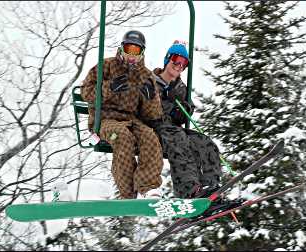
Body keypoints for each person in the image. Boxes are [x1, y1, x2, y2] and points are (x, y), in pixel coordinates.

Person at [80, 30, 164, 199]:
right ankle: (127, 193)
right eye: (128, 49)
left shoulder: (145, 76)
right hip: (105, 119)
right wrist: (108, 88)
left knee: (150, 137)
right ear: (122, 48)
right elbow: (86, 91)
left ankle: (149, 187)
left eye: (136, 51)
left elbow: (152, 115)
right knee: (123, 137)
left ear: (142, 53)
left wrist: (150, 98)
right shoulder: (106, 66)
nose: (131, 55)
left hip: (131, 120)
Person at [148, 41, 223, 199]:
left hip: (173, 129)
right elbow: (145, 106)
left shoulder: (180, 87)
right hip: (153, 129)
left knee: (204, 142)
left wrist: (182, 110)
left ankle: (210, 187)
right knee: (178, 139)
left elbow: (188, 108)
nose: (179, 66)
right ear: (167, 59)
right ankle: (187, 191)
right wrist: (167, 105)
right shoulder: (150, 81)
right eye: (176, 60)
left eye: (184, 63)